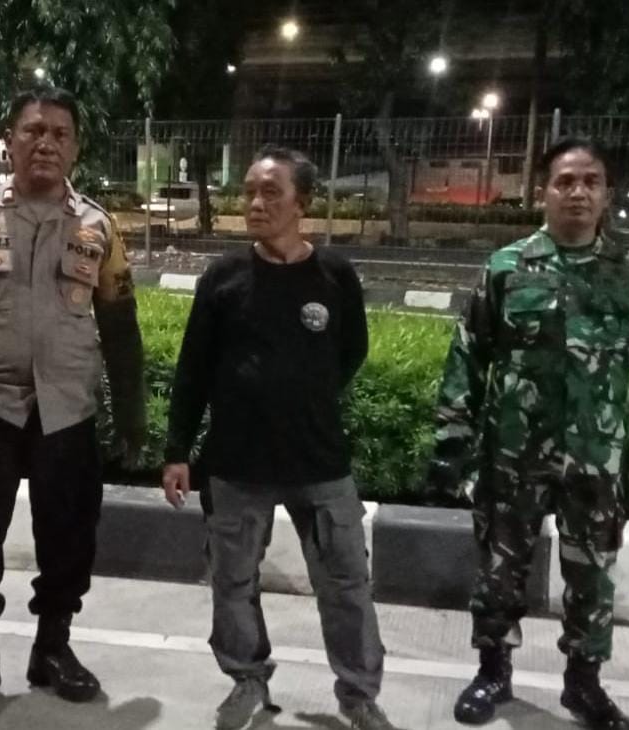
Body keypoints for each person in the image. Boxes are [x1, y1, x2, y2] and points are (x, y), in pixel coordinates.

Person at [427, 138, 629, 729]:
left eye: (590, 181)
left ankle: (583, 684)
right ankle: (493, 672)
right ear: (542, 191)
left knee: (593, 578)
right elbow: (467, 356)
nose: (578, 192)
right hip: (512, 456)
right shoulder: (506, 268)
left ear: (607, 194)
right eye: (565, 181)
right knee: (500, 569)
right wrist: (451, 441)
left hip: (597, 459)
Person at [0, 86, 146, 717]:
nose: (46, 143)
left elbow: (121, 326)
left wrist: (133, 413)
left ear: (76, 148)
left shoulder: (98, 227)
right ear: (9, 141)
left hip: (67, 408)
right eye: (33, 131)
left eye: (60, 134)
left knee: (69, 535)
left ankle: (52, 649)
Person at [162, 147, 395, 730]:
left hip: (320, 461)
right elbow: (193, 369)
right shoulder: (224, 278)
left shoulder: (335, 276)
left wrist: (301, 396)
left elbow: (351, 352)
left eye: (271, 192)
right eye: (249, 192)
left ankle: (358, 694)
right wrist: (177, 451)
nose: (256, 204)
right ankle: (247, 679)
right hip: (235, 464)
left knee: (346, 584)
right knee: (233, 582)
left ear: (303, 203)